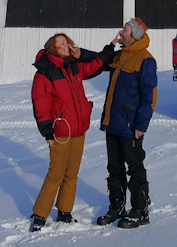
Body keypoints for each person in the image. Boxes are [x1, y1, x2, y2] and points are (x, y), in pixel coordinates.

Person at [29, 33, 113, 232]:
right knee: (55, 174)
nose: (66, 45)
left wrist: (107, 49)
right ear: (52, 49)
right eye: (61, 43)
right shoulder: (45, 72)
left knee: (72, 174)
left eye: (67, 42)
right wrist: (47, 131)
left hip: (79, 128)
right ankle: (40, 215)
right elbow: (41, 103)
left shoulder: (73, 66)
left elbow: (94, 66)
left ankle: (64, 212)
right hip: (60, 131)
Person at [95, 17, 157, 229]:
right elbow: (97, 61)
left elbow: (149, 96)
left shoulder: (145, 59)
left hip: (131, 126)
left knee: (135, 168)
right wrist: (109, 45)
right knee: (114, 168)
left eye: (125, 29)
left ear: (135, 34)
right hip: (112, 123)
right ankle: (117, 207)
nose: (121, 31)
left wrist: (141, 125)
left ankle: (140, 210)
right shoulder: (119, 55)